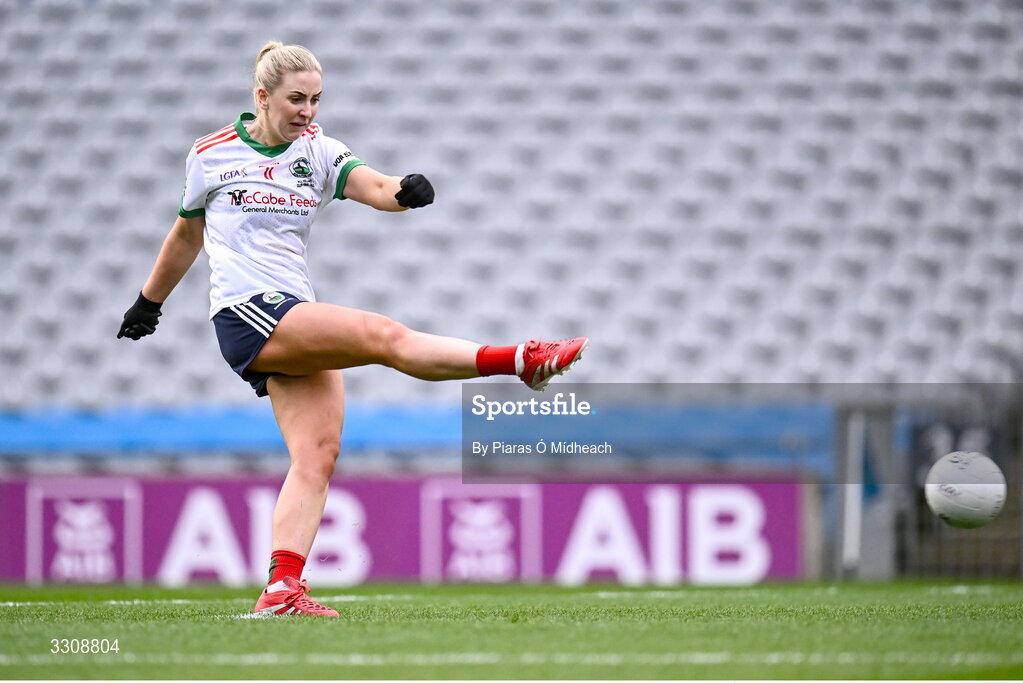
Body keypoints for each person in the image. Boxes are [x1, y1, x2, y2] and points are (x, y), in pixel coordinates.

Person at [117, 42, 588, 617]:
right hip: (247, 311)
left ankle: (281, 590)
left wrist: (404, 191)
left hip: (292, 309)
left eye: (316, 100)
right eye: (296, 99)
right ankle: (520, 360)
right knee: (380, 334)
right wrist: (149, 301)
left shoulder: (317, 152)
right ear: (261, 97)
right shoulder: (210, 154)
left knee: (317, 455)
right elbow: (187, 233)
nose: (308, 111)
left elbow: (373, 185)